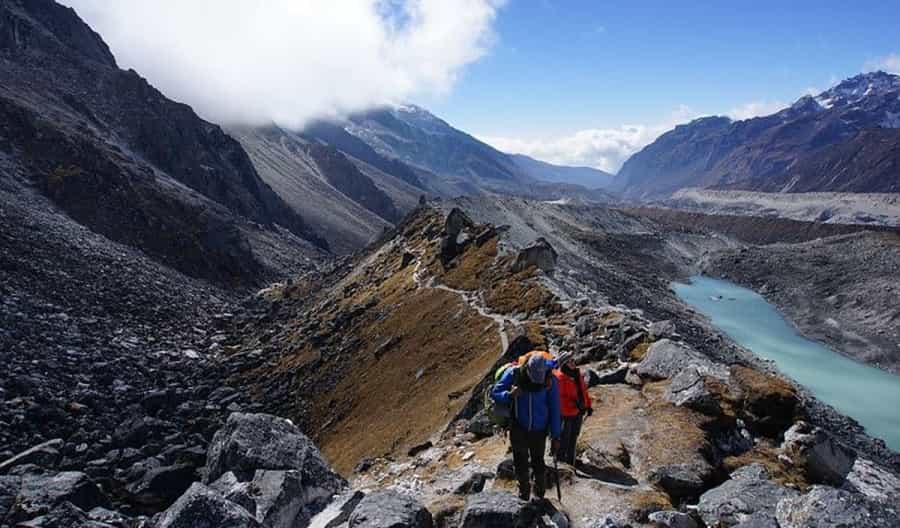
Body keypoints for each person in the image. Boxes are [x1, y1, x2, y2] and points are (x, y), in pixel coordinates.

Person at [491, 353, 562, 501]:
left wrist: (556, 436)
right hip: (519, 427)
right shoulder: (514, 373)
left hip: (539, 430)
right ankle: (524, 493)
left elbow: (555, 409)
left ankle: (539, 495)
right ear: (527, 369)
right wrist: (509, 395)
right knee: (520, 461)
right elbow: (495, 392)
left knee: (538, 461)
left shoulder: (551, 380)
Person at [552, 351, 593, 465]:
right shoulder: (559, 378)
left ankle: (571, 463)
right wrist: (574, 403)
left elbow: (583, 391)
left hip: (578, 412)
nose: (573, 363)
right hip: (566, 414)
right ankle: (562, 461)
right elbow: (559, 399)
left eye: (573, 360)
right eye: (569, 361)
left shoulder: (576, 374)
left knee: (574, 437)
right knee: (565, 439)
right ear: (564, 364)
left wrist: (588, 405)